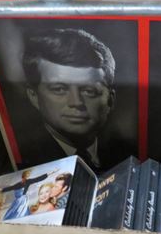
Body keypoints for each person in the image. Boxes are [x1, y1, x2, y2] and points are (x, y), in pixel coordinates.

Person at [21, 28, 119, 172]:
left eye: (89, 91)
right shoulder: (23, 161)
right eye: (59, 89)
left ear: (110, 100)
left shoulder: (126, 153)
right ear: (33, 96)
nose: (76, 102)